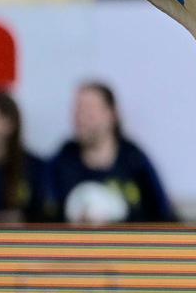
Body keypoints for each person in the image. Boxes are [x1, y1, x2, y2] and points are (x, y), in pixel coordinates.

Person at [46, 82, 175, 223]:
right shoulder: (62, 161)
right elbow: (47, 213)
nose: (81, 118)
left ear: (111, 114)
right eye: (77, 110)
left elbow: (163, 214)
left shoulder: (134, 160)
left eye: (89, 110)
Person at [0, 89, 49, 223]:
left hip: (22, 236)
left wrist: (23, 218)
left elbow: (48, 215)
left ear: (8, 124)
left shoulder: (35, 167)